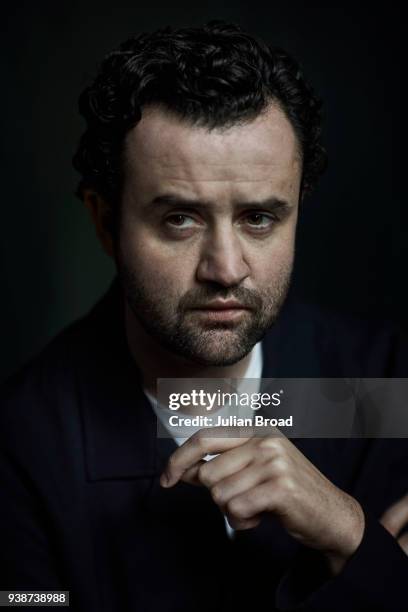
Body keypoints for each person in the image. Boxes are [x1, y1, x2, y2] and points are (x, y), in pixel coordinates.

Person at [1, 20, 407, 612]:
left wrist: (346, 530)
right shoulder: (23, 446)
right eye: (180, 220)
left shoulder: (386, 383)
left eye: (259, 219)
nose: (225, 268)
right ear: (103, 220)